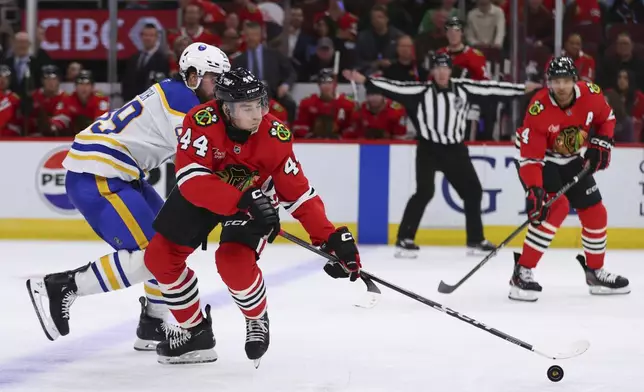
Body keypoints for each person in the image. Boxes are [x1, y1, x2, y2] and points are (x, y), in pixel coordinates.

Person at [142, 67, 362, 365]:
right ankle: (195, 332)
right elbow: (191, 180)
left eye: (259, 104)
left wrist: (329, 237)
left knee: (233, 262)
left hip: (254, 199)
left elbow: (298, 193)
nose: (257, 114)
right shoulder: (201, 121)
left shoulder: (275, 136)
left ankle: (256, 317)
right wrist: (240, 198)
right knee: (159, 258)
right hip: (208, 193)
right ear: (226, 109)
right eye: (247, 107)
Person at [26, 43, 231, 351]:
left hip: (116, 172)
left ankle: (152, 320)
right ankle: (62, 286)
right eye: (215, 77)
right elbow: (199, 161)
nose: (221, 85)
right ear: (192, 76)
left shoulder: (180, 94)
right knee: (155, 255)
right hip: (99, 174)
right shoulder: (184, 102)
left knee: (168, 242)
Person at [343, 54, 541, 258]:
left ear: (450, 71)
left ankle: (475, 240)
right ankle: (404, 239)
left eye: (445, 68)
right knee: (424, 192)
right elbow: (394, 87)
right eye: (437, 69)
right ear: (433, 72)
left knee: (472, 191)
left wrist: (522, 88)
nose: (441, 73)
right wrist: (366, 81)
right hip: (428, 149)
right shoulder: (421, 91)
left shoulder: (463, 88)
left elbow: (492, 90)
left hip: (455, 149)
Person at [511, 56, 630, 301]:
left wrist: (602, 142)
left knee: (596, 212)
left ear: (575, 80)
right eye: (556, 81)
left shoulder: (591, 94)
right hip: (542, 160)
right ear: (549, 83)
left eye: (566, 80)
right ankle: (523, 271)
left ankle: (595, 272)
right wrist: (534, 189)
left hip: (572, 157)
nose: (561, 86)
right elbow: (531, 159)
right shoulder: (539, 108)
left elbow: (607, 118)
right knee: (555, 208)